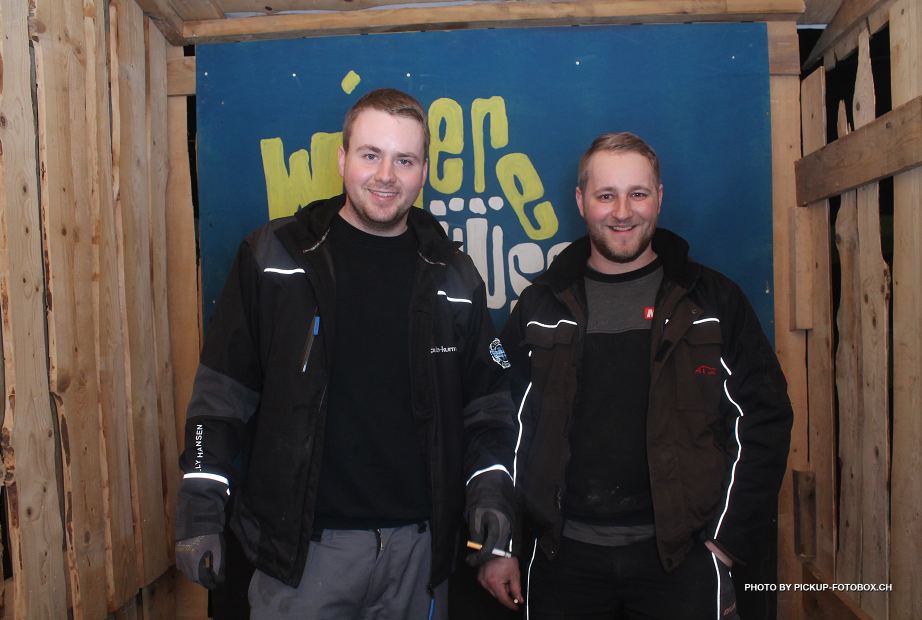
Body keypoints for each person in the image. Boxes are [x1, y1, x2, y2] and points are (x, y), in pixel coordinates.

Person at [174, 88, 516, 618]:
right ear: (342, 159)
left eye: (404, 160)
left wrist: (490, 491)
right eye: (370, 155)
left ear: (424, 171)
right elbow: (221, 397)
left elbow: (488, 408)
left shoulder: (454, 274)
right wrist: (200, 510)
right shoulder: (273, 258)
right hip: (302, 555)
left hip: (417, 554)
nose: (386, 176)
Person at [479, 132, 793, 618]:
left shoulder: (713, 301)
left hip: (683, 562)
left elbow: (764, 419)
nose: (622, 212)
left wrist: (727, 541)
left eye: (638, 194)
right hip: (563, 562)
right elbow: (500, 425)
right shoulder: (540, 307)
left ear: (659, 198)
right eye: (606, 195)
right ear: (581, 201)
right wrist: (502, 544)